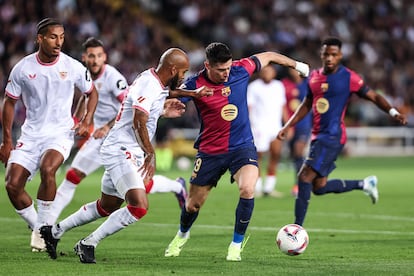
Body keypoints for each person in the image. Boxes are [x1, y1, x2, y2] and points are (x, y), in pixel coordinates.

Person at [40, 48, 209, 263]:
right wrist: (151, 153)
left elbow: (163, 95)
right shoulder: (149, 84)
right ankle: (88, 243)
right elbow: (139, 120)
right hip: (122, 150)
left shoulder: (153, 81)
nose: (184, 77)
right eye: (183, 72)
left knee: (106, 206)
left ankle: (54, 232)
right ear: (173, 69)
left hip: (123, 149)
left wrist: (192, 95)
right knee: (138, 206)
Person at [164, 42, 310, 262]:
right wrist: (167, 107)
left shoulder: (241, 69)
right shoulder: (194, 84)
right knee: (193, 205)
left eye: (228, 68)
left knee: (248, 189)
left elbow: (270, 55)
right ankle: (182, 235)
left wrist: (297, 65)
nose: (226, 74)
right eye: (220, 70)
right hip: (210, 151)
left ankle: (236, 245)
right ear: (207, 66)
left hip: (242, 147)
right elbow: (170, 96)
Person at [50, 37, 188, 225]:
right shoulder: (85, 76)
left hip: (120, 138)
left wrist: (107, 126)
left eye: (99, 56)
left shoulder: (113, 78)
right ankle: (47, 226)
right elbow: (86, 99)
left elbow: (130, 106)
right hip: (105, 138)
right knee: (78, 178)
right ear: (84, 58)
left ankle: (47, 226)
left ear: (104, 57)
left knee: (138, 189)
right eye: (91, 56)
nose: (95, 60)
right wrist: (78, 120)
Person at [277, 37, 408, 226]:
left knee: (304, 176)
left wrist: (393, 111)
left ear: (340, 56)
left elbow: (373, 96)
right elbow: (306, 104)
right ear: (321, 55)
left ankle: (296, 229)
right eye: (326, 54)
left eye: (334, 54)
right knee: (319, 187)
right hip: (317, 135)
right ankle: (365, 184)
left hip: (333, 136)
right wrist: (288, 125)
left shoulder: (349, 77)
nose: (329, 58)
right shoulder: (313, 76)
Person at [0, 18, 98, 252]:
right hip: (31, 135)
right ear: (40, 38)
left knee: (48, 168)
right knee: (12, 186)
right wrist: (7, 141)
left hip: (60, 133)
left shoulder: (72, 66)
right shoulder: (23, 68)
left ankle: (44, 227)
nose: (59, 42)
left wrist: (86, 120)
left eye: (62, 37)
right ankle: (39, 228)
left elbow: (91, 93)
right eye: (53, 37)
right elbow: (10, 103)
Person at [247, 65, 287, 198]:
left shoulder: (278, 86)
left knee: (276, 155)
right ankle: (256, 187)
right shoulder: (254, 86)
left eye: (269, 71)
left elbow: (283, 105)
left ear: (274, 73)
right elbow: (249, 107)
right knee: (258, 157)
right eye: (264, 71)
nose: (267, 73)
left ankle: (269, 188)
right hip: (258, 127)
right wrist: (249, 126)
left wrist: (287, 125)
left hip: (275, 126)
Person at [281, 67, 312, 197]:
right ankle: (301, 182)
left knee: (299, 151)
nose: (295, 72)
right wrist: (288, 126)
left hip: (304, 123)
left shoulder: (309, 83)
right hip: (290, 124)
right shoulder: (284, 84)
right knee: (295, 155)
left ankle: (301, 184)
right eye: (292, 69)